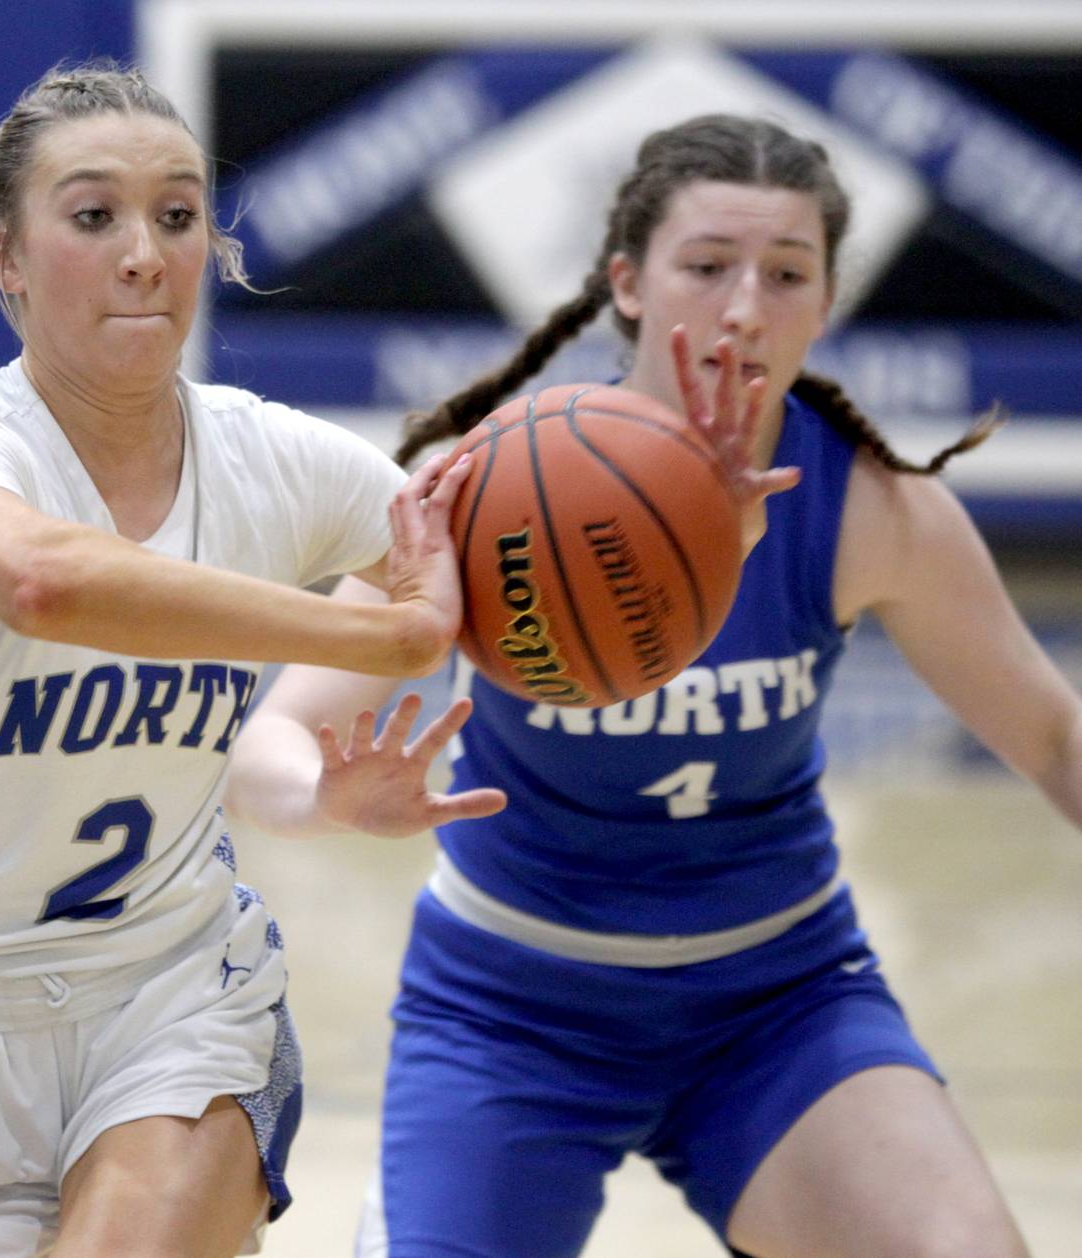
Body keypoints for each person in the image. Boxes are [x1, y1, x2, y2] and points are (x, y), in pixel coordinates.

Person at [225, 114, 1082, 1258]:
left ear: (826, 304)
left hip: (779, 1002)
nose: (743, 308)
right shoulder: (492, 492)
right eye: (707, 266)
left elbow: (1054, 741)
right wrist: (330, 801)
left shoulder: (875, 510)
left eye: (786, 275)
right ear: (627, 284)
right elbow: (260, 748)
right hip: (512, 1011)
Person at [0, 59, 481, 1258]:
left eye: (177, 215)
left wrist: (701, 521)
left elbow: (472, 570)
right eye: (93, 214)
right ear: (4, 258)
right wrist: (370, 632)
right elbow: (45, 582)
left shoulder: (276, 459)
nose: (144, 252)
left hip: (173, 1004)